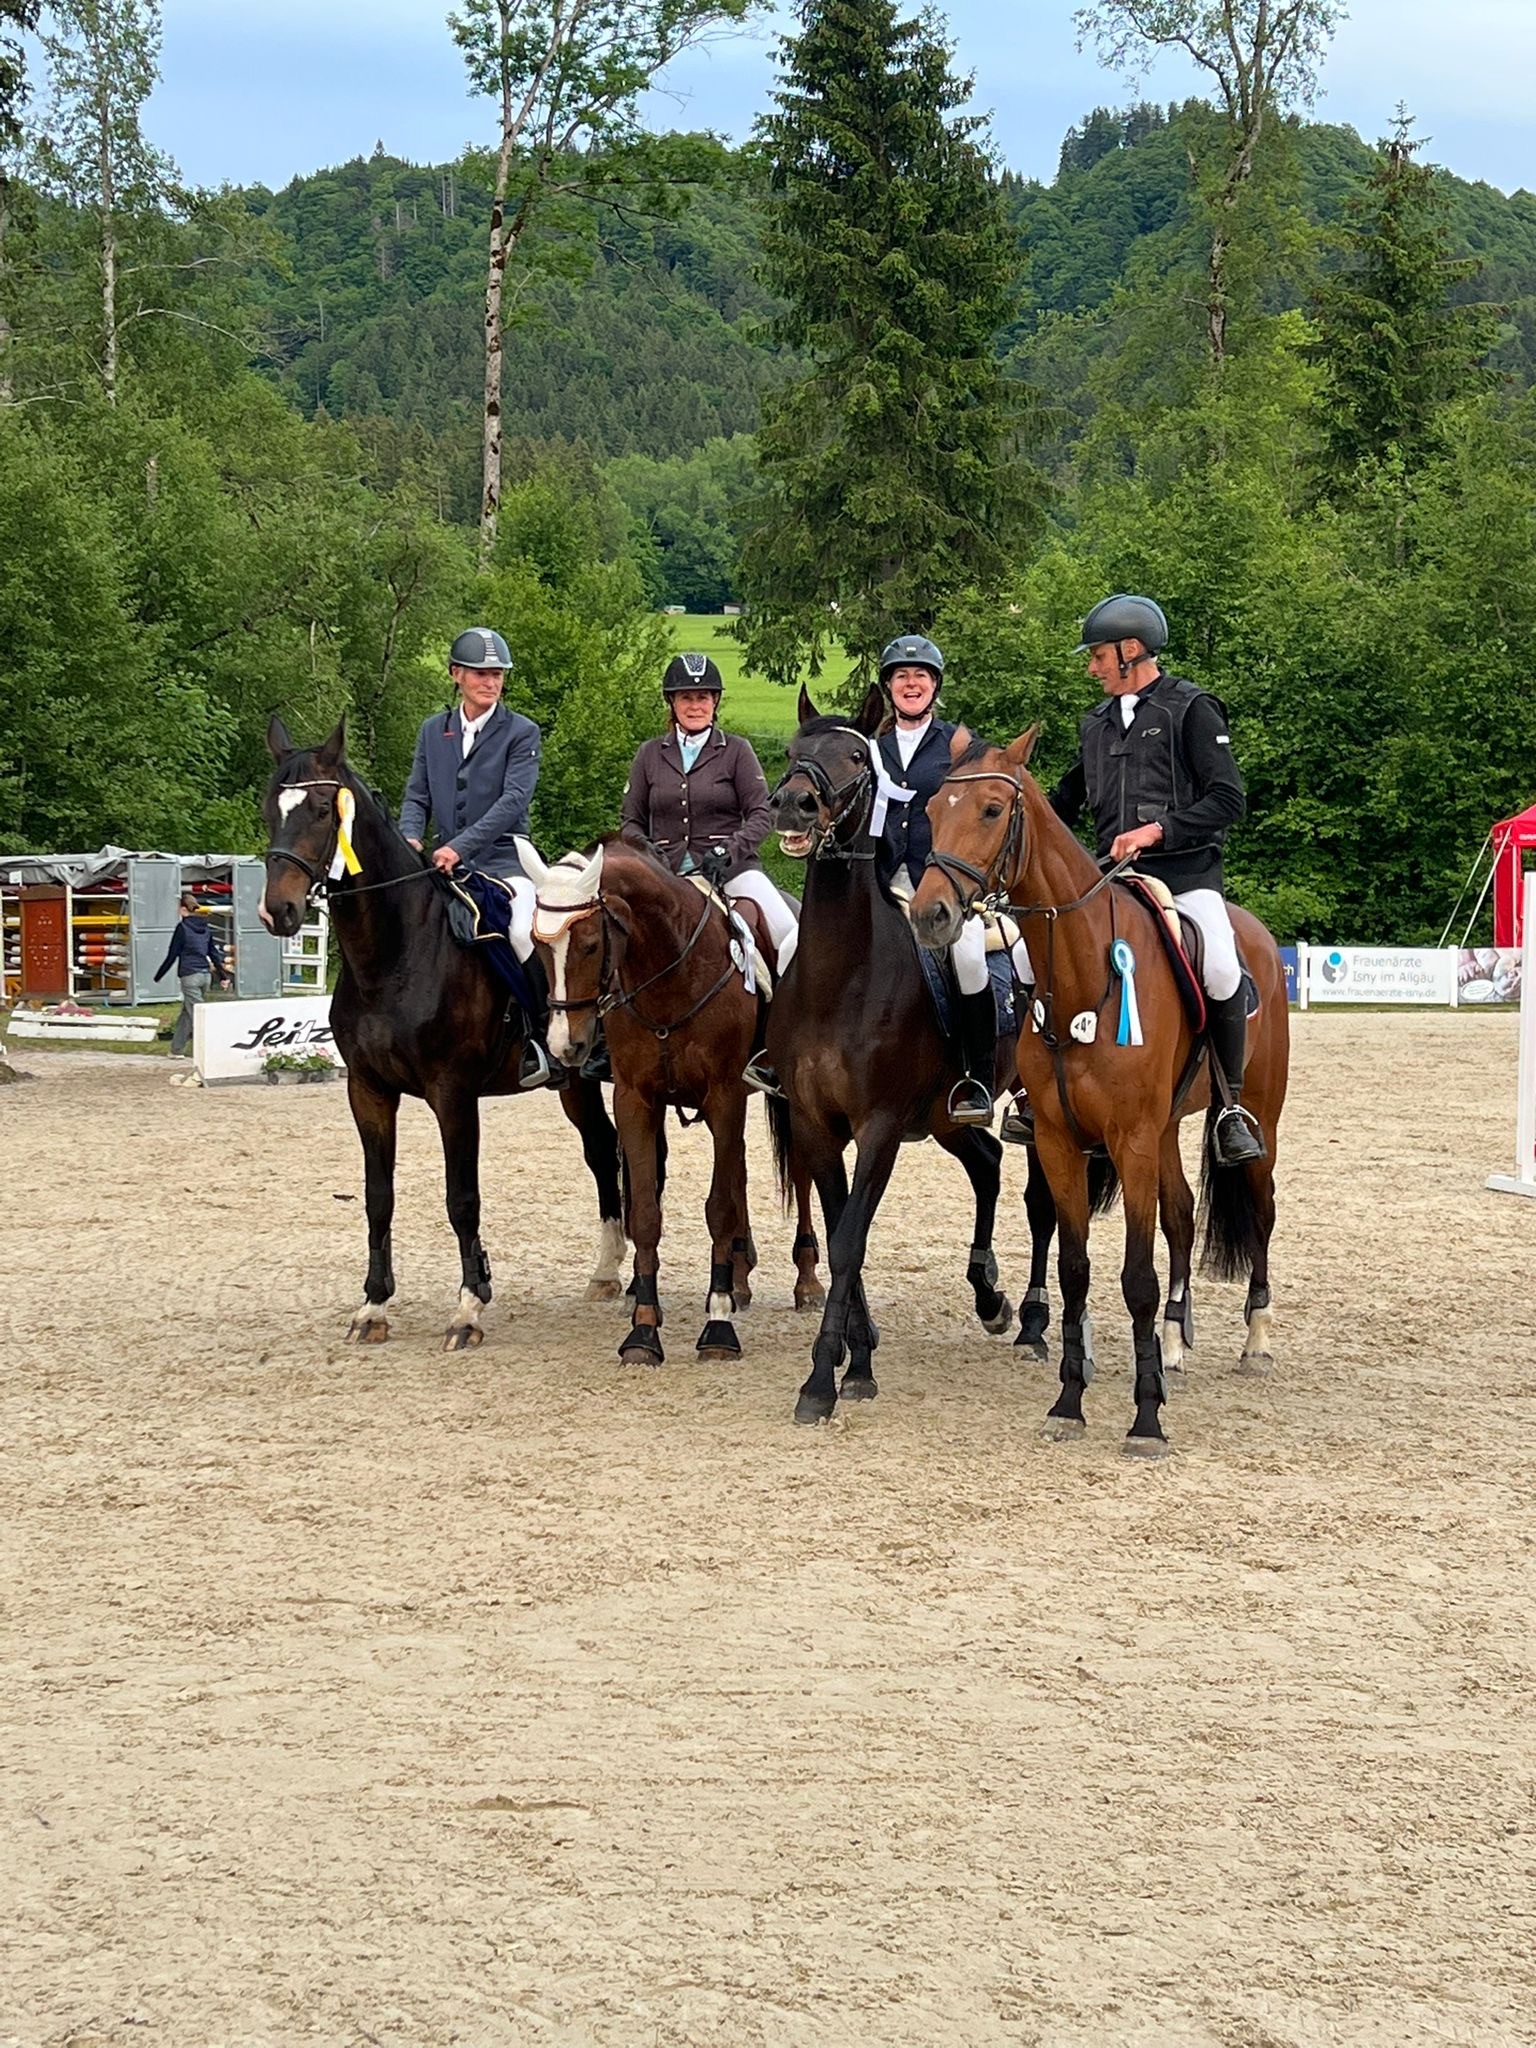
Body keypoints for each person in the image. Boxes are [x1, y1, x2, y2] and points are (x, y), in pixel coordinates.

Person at [1018, 592, 1263, 1166]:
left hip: (1185, 874)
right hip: (1111, 881)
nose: (1092, 667)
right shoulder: (1096, 724)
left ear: (1131, 650)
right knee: (1030, 959)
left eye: (1099, 656)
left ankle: (1229, 1105)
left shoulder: (1191, 709)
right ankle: (1035, 1092)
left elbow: (1228, 798)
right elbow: (1061, 807)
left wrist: (1157, 832)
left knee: (1221, 965)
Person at [399, 626, 553, 1088]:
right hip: (443, 863)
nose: (491, 682)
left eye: (497, 674)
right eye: (481, 674)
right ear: (456, 675)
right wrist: (410, 837)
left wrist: (459, 847)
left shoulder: (521, 732)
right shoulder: (433, 730)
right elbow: (417, 794)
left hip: (506, 860)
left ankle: (541, 1037)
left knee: (522, 930)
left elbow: (513, 801)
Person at [873, 634, 997, 1126]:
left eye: (920, 676)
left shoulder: (958, 745)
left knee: (967, 955)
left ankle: (977, 1077)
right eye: (902, 676)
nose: (911, 684)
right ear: (889, 687)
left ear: (934, 686)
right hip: (882, 877)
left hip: (942, 880)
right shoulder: (873, 748)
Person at [620, 651, 799, 974]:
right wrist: (647, 852)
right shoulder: (649, 754)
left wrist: (727, 851)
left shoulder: (736, 751)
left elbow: (762, 813)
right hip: (665, 875)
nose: (695, 706)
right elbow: (631, 822)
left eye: (702, 697)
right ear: (672, 702)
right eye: (686, 698)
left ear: (714, 701)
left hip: (732, 872)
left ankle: (786, 1002)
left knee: (790, 933)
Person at [154, 891, 231, 1057]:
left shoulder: (182, 928)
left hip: (189, 974)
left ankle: (214, 1049)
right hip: (205, 976)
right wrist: (223, 976)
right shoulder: (205, 927)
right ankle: (176, 1049)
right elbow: (213, 953)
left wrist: (159, 975)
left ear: (183, 910)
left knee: (199, 1015)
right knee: (187, 1014)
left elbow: (172, 954)